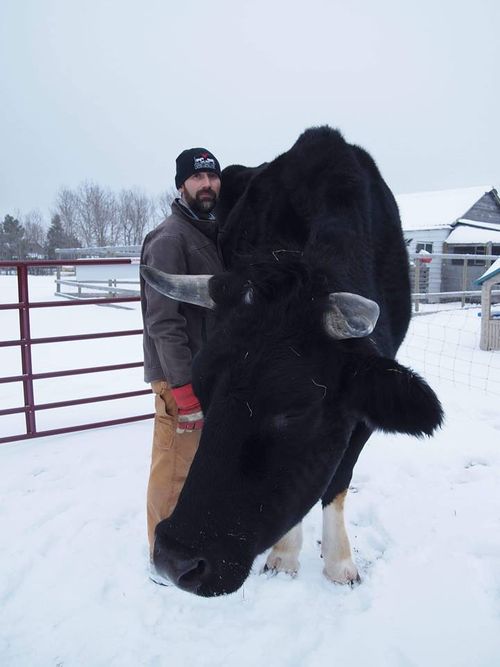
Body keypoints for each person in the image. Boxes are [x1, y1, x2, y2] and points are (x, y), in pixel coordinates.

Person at [140, 148, 224, 560]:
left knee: (198, 465)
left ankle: (192, 537)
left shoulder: (209, 233)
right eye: (197, 178)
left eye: (212, 177)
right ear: (181, 185)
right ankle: (162, 553)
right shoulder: (170, 239)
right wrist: (183, 389)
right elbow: (162, 322)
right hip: (180, 377)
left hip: (206, 372)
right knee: (174, 465)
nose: (207, 185)